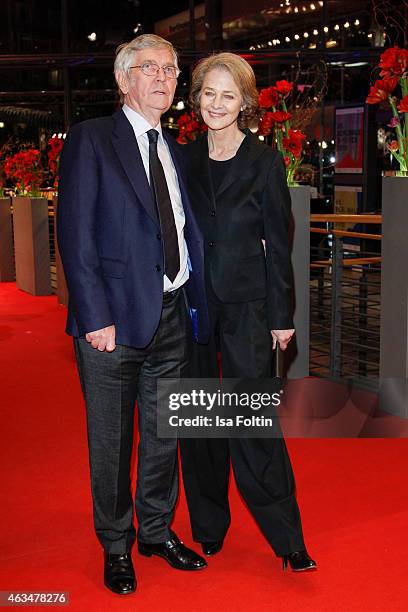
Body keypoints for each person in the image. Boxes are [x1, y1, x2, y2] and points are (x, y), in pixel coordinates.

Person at [57, 34, 210, 596]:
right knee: (112, 439)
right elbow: (74, 236)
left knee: (165, 434)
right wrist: (94, 315)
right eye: (149, 68)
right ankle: (116, 545)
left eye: (171, 69)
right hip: (113, 323)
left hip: (172, 309)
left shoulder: (175, 147)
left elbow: (179, 225)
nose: (163, 78)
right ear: (124, 80)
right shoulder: (92, 139)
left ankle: (155, 531)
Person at [179, 52, 317, 572]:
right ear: (196, 99)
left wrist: (283, 315)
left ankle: (287, 538)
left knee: (252, 420)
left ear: (244, 103)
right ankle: (208, 527)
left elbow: (279, 244)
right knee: (198, 420)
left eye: (228, 95)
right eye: (208, 94)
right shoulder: (180, 158)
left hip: (249, 308)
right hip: (192, 307)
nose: (217, 104)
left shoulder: (264, 160)